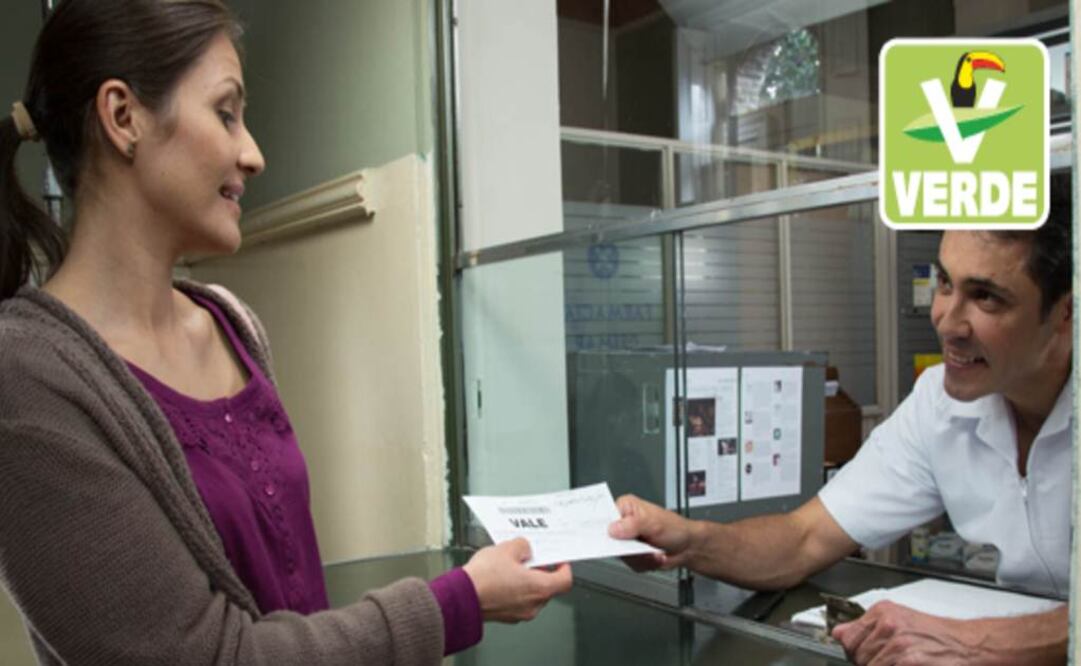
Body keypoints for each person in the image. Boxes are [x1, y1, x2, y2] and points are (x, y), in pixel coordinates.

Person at [0, 1, 571, 664]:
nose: (254, 153)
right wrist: (454, 604)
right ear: (123, 116)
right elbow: (212, 655)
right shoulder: (28, 382)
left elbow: (289, 602)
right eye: (226, 112)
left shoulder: (230, 322)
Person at [609, 174, 1072, 665]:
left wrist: (980, 643)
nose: (947, 322)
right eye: (944, 283)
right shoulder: (939, 405)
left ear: (1065, 311)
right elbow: (803, 539)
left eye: (986, 297)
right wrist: (692, 541)